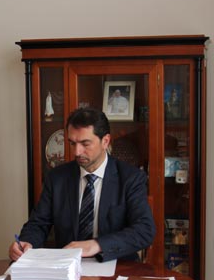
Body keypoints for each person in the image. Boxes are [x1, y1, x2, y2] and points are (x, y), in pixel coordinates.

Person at [9, 107, 155, 262]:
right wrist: (27, 242)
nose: (77, 152)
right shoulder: (57, 178)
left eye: (85, 144)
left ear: (105, 141)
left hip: (116, 265)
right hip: (67, 266)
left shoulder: (130, 178)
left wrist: (96, 245)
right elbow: (38, 224)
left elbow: (144, 230)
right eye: (72, 143)